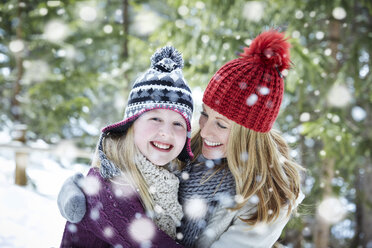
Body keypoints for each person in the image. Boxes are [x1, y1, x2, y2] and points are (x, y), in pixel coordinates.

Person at [58, 30, 305, 248]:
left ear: (249, 135)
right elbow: (126, 158)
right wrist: (85, 187)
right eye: (204, 115)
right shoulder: (191, 148)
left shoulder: (267, 198)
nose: (205, 131)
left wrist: (99, 203)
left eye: (221, 124)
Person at [59, 46, 194, 247]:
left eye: (178, 124)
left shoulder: (170, 178)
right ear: (130, 125)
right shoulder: (109, 187)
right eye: (155, 118)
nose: (167, 132)